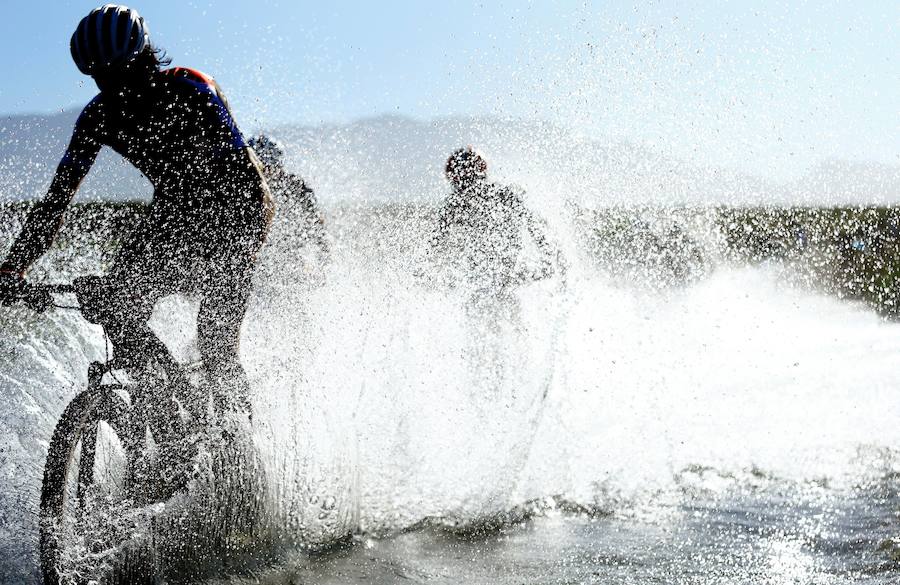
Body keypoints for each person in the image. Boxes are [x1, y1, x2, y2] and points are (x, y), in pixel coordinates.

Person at [0, 5, 273, 415]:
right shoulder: (99, 116)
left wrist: (233, 253)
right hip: (172, 217)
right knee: (113, 305)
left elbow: (252, 188)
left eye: (121, 74)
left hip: (235, 212)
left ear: (143, 59)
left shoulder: (193, 90)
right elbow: (56, 203)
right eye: (101, 79)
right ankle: (166, 423)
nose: (114, 89)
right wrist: (12, 268)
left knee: (216, 345)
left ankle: (239, 440)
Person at [428, 146, 562, 303]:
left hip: (484, 275)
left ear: (454, 177)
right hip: (511, 270)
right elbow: (533, 225)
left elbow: (436, 242)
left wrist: (424, 269)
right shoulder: (502, 193)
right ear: (482, 170)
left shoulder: (454, 203)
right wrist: (548, 256)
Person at [248, 133, 330, 263]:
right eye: (263, 169)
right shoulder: (249, 190)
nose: (268, 174)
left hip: (291, 255)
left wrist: (323, 260)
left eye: (272, 167)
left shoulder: (296, 186)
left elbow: (317, 225)